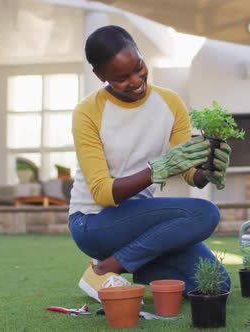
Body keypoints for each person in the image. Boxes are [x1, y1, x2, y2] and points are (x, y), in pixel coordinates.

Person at [69, 25, 231, 302]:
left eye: (138, 67)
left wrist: (208, 171)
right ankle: (105, 268)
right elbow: (102, 193)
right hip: (94, 222)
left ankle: (135, 270)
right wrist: (159, 170)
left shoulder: (169, 102)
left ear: (141, 56)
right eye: (121, 78)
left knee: (214, 282)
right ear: (100, 76)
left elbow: (188, 170)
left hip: (141, 223)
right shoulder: (88, 112)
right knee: (205, 214)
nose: (135, 80)